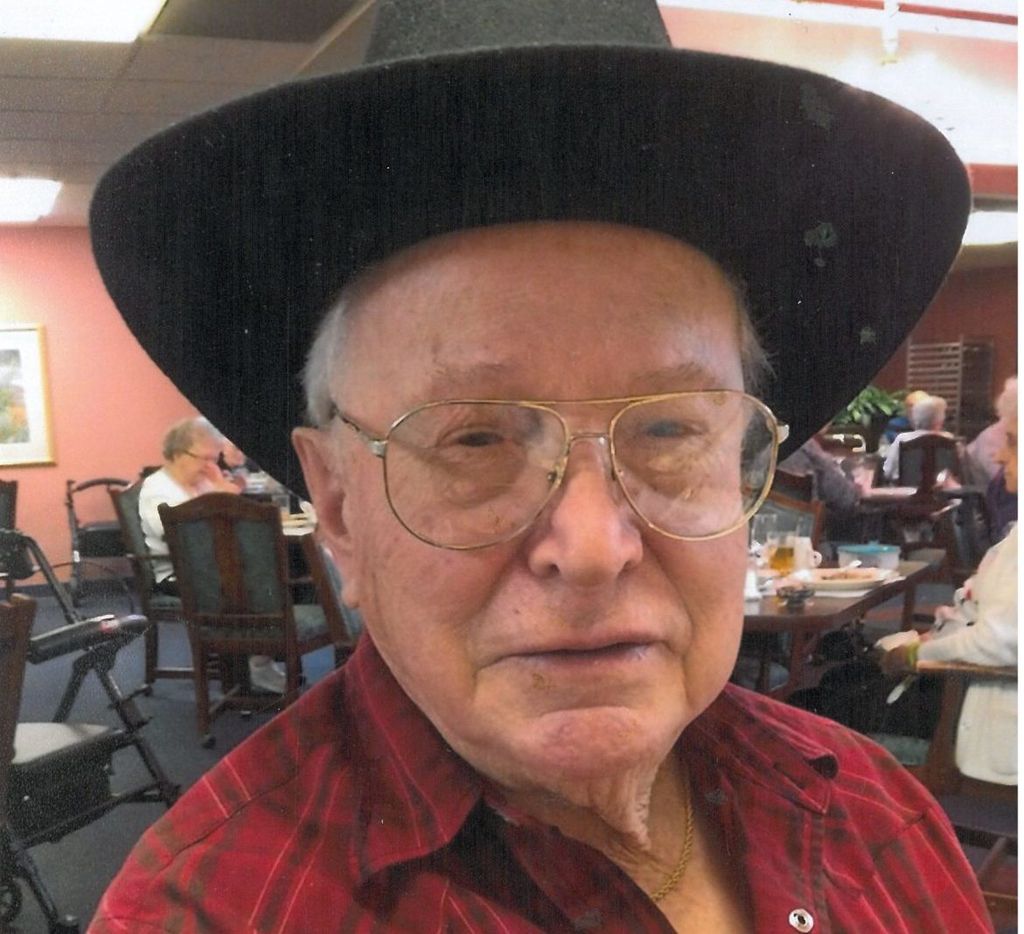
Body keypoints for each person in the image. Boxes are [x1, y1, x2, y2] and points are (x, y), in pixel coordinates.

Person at [87, 1, 988, 929]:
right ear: (341, 508)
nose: (594, 549)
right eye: (476, 439)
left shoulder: (876, 817)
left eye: (669, 431)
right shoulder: (217, 911)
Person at [879, 394, 1017, 785]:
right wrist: (947, 626)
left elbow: (998, 642)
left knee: (826, 705)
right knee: (844, 683)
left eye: (1011, 442)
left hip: (978, 718)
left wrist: (914, 653)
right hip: (971, 692)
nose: (1000, 456)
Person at [139, 417, 287, 695]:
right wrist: (220, 493)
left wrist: (220, 487)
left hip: (214, 568)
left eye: (214, 459)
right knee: (266, 580)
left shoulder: (200, 482)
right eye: (204, 459)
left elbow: (233, 522)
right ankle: (256, 662)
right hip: (179, 575)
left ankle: (257, 658)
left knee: (277, 570)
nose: (211, 467)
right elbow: (186, 539)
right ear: (178, 454)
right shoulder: (157, 489)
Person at [881, 394, 955, 483]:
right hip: (941, 490)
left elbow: (888, 472)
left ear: (915, 417)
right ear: (940, 420)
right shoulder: (950, 439)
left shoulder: (903, 438)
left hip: (906, 490)